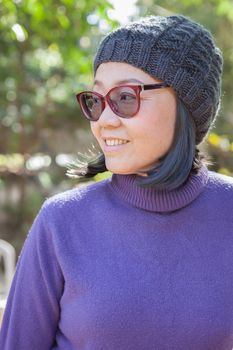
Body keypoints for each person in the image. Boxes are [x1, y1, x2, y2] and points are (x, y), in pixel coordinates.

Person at [0, 14, 233, 350]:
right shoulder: (61, 222)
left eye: (125, 98)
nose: (104, 121)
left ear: (186, 105)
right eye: (97, 101)